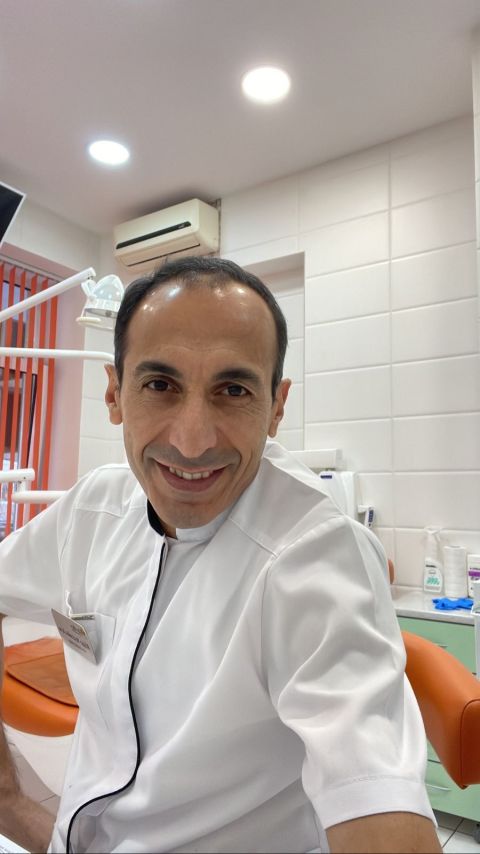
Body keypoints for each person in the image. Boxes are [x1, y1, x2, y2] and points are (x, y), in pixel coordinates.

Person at [0, 256, 440, 853]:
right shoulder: (94, 508)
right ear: (114, 393)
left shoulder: (315, 556)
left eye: (233, 391)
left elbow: (378, 803)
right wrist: (10, 800)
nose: (192, 441)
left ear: (276, 406)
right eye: (160, 385)